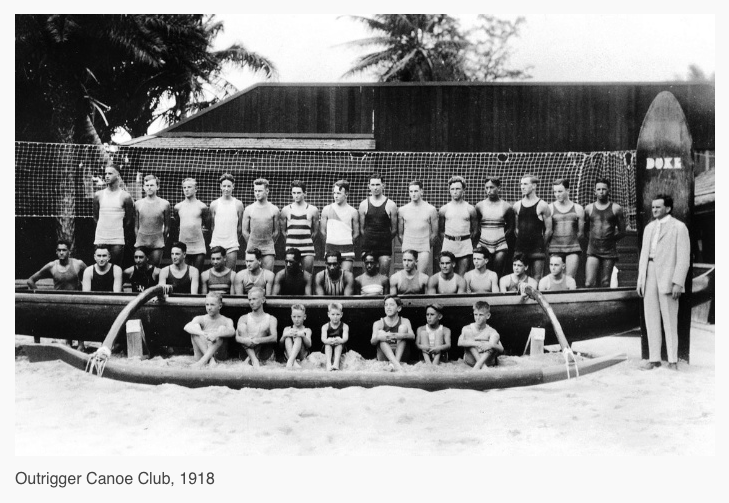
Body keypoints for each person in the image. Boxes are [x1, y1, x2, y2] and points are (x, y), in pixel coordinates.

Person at [636, 194, 690, 371]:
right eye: (653, 207)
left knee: (669, 319)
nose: (654, 210)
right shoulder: (649, 227)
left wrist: (678, 283)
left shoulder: (679, 227)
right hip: (649, 273)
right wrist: (641, 279)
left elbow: (683, 258)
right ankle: (654, 359)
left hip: (668, 276)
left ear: (668, 208)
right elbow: (643, 255)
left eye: (658, 207)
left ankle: (673, 360)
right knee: (651, 317)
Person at [584, 178, 626, 287]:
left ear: (609, 191)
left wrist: (610, 240)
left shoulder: (616, 208)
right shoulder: (589, 208)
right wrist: (594, 240)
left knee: (605, 282)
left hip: (609, 251)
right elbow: (585, 231)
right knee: (589, 283)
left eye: (604, 189)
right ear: (595, 191)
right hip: (593, 250)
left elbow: (622, 232)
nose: (601, 192)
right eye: (598, 189)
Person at [81, 244, 122, 352]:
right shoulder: (89, 271)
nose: (101, 258)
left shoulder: (116, 270)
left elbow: (116, 295)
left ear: (109, 257)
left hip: (111, 305)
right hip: (94, 305)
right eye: (99, 256)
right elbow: (86, 296)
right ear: (94, 257)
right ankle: (82, 343)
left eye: (104, 256)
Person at [93, 164, 134, 266]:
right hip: (101, 237)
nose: (107, 176)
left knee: (115, 268)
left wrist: (118, 229)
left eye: (110, 173)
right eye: (106, 173)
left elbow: (129, 220)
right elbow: (95, 217)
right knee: (100, 267)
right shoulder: (98, 195)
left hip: (117, 238)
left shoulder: (125, 196)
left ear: (118, 175)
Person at [513, 174, 552, 283]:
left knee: (537, 278)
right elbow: (516, 230)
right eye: (521, 184)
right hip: (521, 248)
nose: (522, 187)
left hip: (537, 249)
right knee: (520, 278)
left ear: (534, 186)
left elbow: (549, 230)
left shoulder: (543, 205)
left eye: (525, 184)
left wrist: (540, 244)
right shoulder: (517, 205)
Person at [475, 176, 515, 277]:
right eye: (487, 188)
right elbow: (476, 226)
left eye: (492, 187)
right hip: (484, 243)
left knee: (498, 273)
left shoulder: (506, 206)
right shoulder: (479, 206)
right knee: (484, 273)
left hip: (500, 244)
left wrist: (501, 238)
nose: (489, 190)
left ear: (499, 188)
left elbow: (511, 228)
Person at [359, 173, 398, 276]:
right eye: (373, 185)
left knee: (383, 277)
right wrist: (370, 237)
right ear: (369, 186)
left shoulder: (391, 205)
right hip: (368, 246)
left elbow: (394, 230)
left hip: (384, 247)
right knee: (367, 277)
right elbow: (362, 229)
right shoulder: (363, 204)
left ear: (383, 185)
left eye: (377, 184)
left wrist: (384, 238)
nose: (375, 188)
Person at [439, 176, 478, 277]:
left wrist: (466, 240)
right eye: (452, 189)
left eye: (458, 189)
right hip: (449, 245)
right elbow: (441, 230)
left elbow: (475, 231)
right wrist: (450, 239)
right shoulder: (444, 209)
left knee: (461, 277)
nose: (455, 191)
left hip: (465, 246)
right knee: (447, 275)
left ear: (463, 190)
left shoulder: (470, 209)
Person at [184, 292, 235, 368]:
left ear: (220, 306)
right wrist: (202, 333)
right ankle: (209, 360)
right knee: (195, 327)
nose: (209, 307)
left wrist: (216, 334)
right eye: (207, 304)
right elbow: (187, 327)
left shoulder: (226, 320)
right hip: (201, 355)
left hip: (218, 356)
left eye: (212, 304)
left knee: (222, 329)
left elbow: (232, 331)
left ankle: (206, 361)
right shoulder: (201, 318)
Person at [398, 180, 438, 275]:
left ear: (421, 192)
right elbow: (400, 234)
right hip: (408, 247)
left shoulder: (431, 209)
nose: (413, 194)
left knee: (420, 276)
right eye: (411, 191)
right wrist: (407, 244)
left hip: (423, 248)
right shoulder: (402, 210)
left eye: (416, 191)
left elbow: (435, 234)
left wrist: (425, 245)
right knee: (408, 275)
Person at [547, 178, 584, 280]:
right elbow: (548, 230)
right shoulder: (549, 208)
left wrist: (571, 241)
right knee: (556, 279)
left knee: (569, 278)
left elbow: (581, 233)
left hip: (572, 247)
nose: (557, 194)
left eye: (560, 191)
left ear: (568, 191)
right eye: (555, 192)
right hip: (555, 248)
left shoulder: (578, 208)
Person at [280, 180, 319, 274]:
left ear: (305, 193)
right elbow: (283, 231)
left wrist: (305, 241)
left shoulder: (313, 210)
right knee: (289, 276)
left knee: (307, 275)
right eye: (294, 193)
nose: (296, 195)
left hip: (307, 249)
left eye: (299, 193)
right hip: (291, 248)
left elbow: (315, 232)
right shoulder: (286, 210)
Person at [320, 179, 359, 272]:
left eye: (339, 193)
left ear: (346, 194)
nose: (336, 196)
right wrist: (330, 242)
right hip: (331, 248)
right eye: (334, 193)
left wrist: (346, 241)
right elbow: (322, 231)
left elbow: (356, 233)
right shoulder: (327, 209)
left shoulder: (353, 211)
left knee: (346, 275)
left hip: (347, 249)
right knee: (331, 276)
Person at [242, 178, 279, 271]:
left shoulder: (274, 209)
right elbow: (245, 232)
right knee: (252, 277)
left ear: (267, 191)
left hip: (268, 249)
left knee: (268, 276)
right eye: (255, 191)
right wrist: (253, 245)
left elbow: (276, 232)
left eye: (260, 191)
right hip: (252, 249)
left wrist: (268, 243)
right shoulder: (249, 209)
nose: (257, 193)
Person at [209, 173, 245, 271]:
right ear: (220, 186)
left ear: (233, 186)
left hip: (231, 245)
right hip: (216, 243)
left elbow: (240, 227)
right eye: (224, 186)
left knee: (230, 273)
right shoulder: (214, 204)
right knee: (216, 273)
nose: (226, 189)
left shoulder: (238, 204)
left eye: (229, 186)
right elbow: (212, 227)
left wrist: (232, 240)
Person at [133, 174, 171, 267]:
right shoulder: (138, 204)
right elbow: (136, 226)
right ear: (143, 187)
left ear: (157, 187)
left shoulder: (165, 204)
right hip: (141, 243)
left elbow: (167, 227)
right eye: (147, 185)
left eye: (152, 185)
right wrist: (138, 240)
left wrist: (162, 240)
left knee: (153, 270)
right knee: (140, 269)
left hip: (157, 244)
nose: (149, 188)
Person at [235, 287, 277, 368]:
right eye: (250, 299)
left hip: (264, 355)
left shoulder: (271, 318)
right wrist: (246, 340)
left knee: (262, 330)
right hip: (246, 353)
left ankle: (251, 360)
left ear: (263, 300)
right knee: (242, 327)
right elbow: (237, 337)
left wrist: (256, 340)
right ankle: (254, 360)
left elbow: (274, 338)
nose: (251, 302)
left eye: (254, 299)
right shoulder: (243, 318)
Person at [370, 295, 415, 371]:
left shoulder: (405, 320)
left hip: (401, 354)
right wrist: (379, 337)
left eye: (391, 305)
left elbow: (412, 336)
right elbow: (373, 341)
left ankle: (395, 363)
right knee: (380, 333)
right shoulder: (378, 323)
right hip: (385, 355)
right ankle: (396, 364)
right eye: (386, 305)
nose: (388, 307)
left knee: (403, 328)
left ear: (399, 308)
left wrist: (392, 336)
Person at [174, 178, 209, 271]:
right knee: (184, 274)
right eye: (184, 187)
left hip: (198, 247)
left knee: (197, 274)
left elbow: (207, 225)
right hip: (184, 247)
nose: (186, 189)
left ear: (196, 189)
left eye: (189, 187)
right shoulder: (178, 207)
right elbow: (177, 225)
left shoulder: (202, 206)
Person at [458, 301, 504, 369]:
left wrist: (491, 344)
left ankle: (480, 365)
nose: (477, 318)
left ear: (488, 316)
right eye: (475, 314)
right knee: (468, 334)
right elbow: (460, 343)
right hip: (470, 364)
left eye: (481, 315)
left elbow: (501, 349)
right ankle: (481, 366)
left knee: (494, 337)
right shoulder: (467, 328)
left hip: (488, 363)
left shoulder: (491, 331)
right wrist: (478, 343)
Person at [280, 304, 312, 369]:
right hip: (288, 355)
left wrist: (303, 336)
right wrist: (284, 335)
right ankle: (293, 361)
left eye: (299, 317)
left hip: (301, 356)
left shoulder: (307, 330)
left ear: (304, 317)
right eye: (294, 317)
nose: (296, 319)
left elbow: (309, 345)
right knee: (288, 338)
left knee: (298, 337)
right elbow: (280, 345)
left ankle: (291, 361)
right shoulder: (287, 329)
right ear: (291, 317)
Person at [321, 302, 349, 371]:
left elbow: (345, 337)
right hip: (328, 346)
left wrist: (341, 340)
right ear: (328, 314)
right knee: (327, 345)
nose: (335, 317)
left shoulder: (345, 326)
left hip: (340, 346)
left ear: (341, 315)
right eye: (333, 314)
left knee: (339, 344)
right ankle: (329, 363)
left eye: (337, 314)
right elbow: (323, 338)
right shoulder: (325, 326)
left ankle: (336, 363)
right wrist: (328, 340)